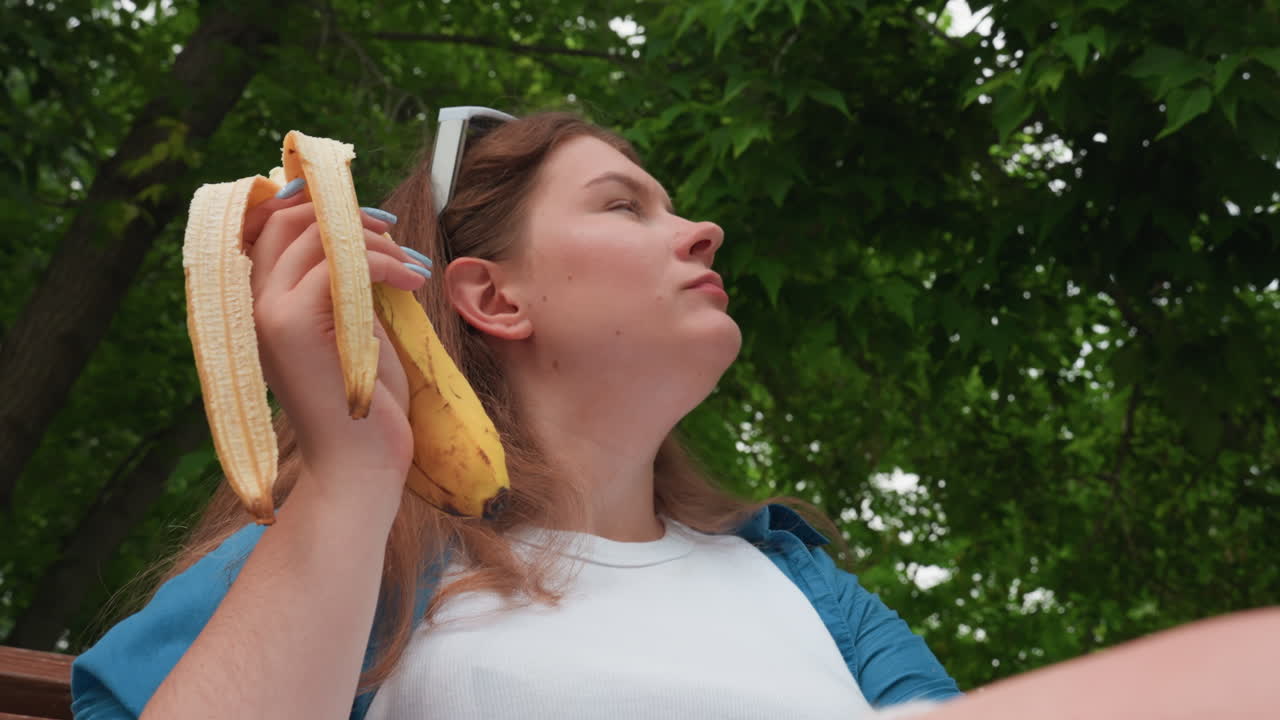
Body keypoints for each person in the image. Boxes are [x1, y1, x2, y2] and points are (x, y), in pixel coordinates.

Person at [68, 108, 1278, 720]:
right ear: (491, 297)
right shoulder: (368, 542)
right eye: (625, 206)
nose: (698, 230)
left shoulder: (799, 583)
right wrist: (349, 474)